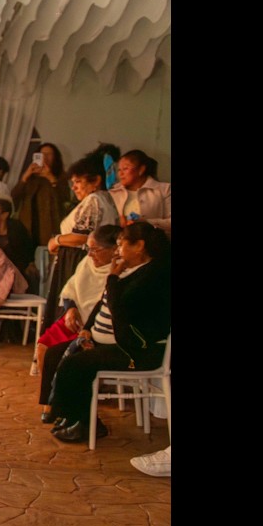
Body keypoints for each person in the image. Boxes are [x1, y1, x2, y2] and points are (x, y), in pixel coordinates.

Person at [49, 221, 171, 443]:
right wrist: (87, 330)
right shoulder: (135, 270)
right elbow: (103, 303)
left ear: (139, 246)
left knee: (76, 363)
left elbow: (119, 309)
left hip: (139, 352)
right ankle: (73, 416)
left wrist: (113, 277)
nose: (118, 250)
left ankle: (85, 424)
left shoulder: (155, 275)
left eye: (121, 244)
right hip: (123, 345)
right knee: (59, 353)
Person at [37, 224, 119, 424]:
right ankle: (49, 402)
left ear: (113, 250)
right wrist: (70, 308)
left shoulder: (117, 273)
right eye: (88, 249)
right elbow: (71, 288)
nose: (90, 254)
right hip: (76, 317)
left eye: (95, 250)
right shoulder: (87, 263)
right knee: (43, 346)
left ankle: (63, 403)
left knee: (67, 355)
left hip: (93, 326)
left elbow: (105, 306)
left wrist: (87, 328)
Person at [42, 157, 119, 330]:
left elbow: (82, 236)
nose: (74, 187)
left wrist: (56, 241)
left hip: (79, 259)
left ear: (96, 181)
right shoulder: (104, 199)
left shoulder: (94, 200)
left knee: (72, 314)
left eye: (78, 182)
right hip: (81, 259)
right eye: (72, 182)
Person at [11, 142, 68, 245]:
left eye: (49, 154)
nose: (45, 157)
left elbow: (64, 200)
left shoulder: (60, 176)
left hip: (50, 224)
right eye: (42, 154)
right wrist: (25, 177)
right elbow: (14, 197)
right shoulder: (31, 177)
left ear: (55, 157)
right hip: (28, 224)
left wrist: (51, 178)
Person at [108, 150, 171, 235]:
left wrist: (145, 221)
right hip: (121, 244)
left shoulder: (164, 189)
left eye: (125, 168)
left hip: (155, 244)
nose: (121, 174)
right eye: (119, 170)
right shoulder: (113, 192)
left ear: (141, 170)